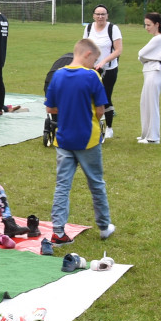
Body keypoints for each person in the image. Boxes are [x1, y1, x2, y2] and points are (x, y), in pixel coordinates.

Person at [45, 38, 117, 245]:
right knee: (96, 183)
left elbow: (50, 108)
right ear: (87, 54)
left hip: (63, 139)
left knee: (62, 186)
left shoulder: (58, 75)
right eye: (94, 60)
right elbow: (100, 110)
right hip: (88, 139)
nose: (94, 65)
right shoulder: (92, 76)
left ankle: (58, 231)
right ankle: (104, 226)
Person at [82, 5, 122, 138]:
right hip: (91, 69)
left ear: (107, 16)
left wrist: (104, 61)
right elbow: (84, 46)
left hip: (109, 69)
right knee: (88, 96)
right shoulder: (89, 28)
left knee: (105, 97)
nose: (100, 17)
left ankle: (109, 127)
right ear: (93, 15)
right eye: (98, 14)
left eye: (103, 14)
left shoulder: (113, 29)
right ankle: (90, 124)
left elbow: (118, 50)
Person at [135, 13, 161, 144]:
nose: (147, 27)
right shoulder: (157, 38)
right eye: (145, 25)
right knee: (145, 104)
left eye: (149, 25)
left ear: (157, 24)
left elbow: (141, 54)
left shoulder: (159, 39)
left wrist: (144, 58)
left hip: (154, 72)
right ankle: (146, 134)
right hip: (150, 72)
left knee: (151, 105)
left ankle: (153, 137)